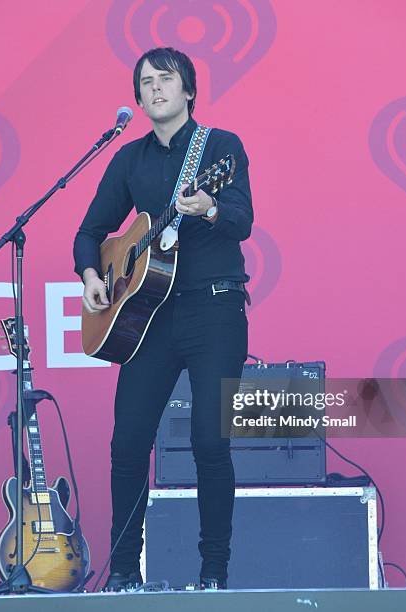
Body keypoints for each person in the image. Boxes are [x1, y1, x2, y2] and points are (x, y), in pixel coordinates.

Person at [73, 47, 253, 591]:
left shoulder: (219, 148)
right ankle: (124, 570)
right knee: (127, 442)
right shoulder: (128, 159)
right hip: (146, 316)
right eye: (145, 82)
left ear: (189, 91)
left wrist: (211, 209)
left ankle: (213, 571)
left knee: (208, 441)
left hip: (213, 308)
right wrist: (91, 275)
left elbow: (243, 220)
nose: (155, 89)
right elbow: (90, 232)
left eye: (166, 80)